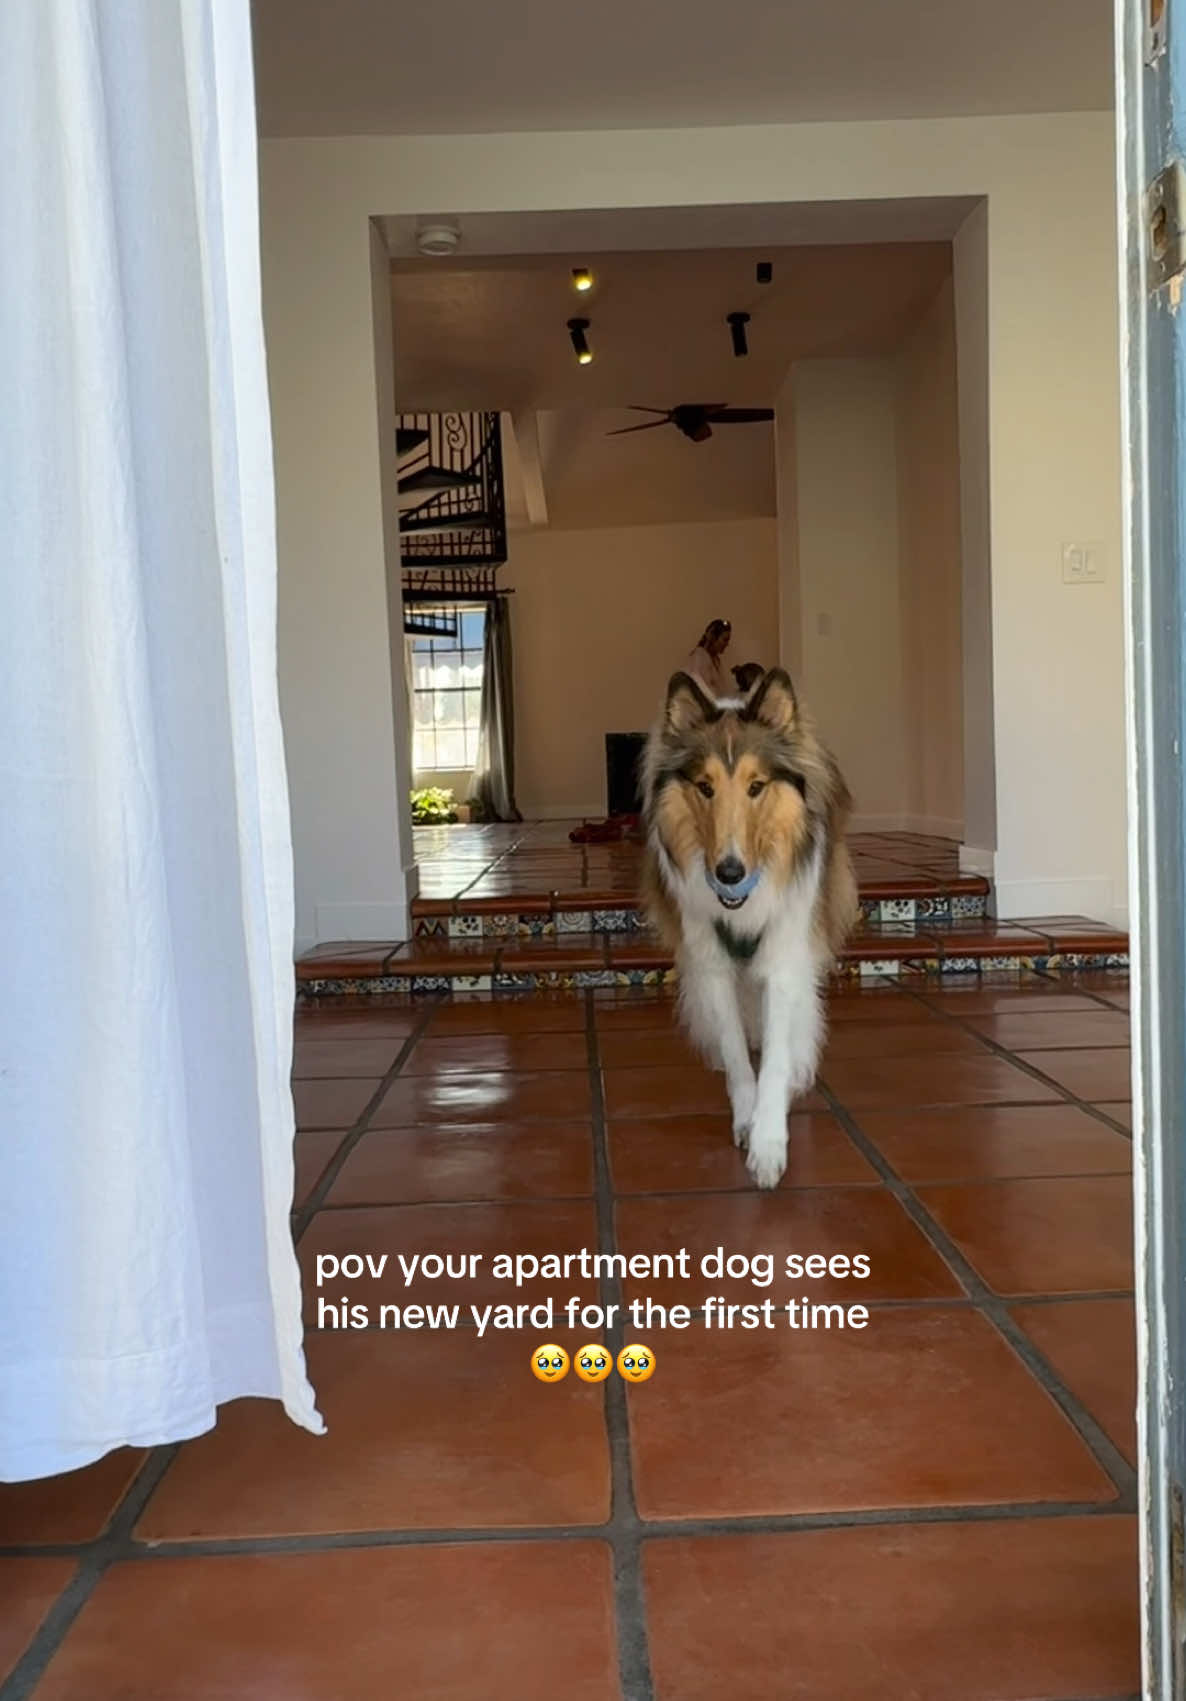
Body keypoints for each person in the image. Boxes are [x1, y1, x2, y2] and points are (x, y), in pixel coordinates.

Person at [686, 618, 731, 698]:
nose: (727, 644)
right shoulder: (699, 657)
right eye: (725, 640)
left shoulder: (716, 660)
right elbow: (702, 692)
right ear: (713, 638)